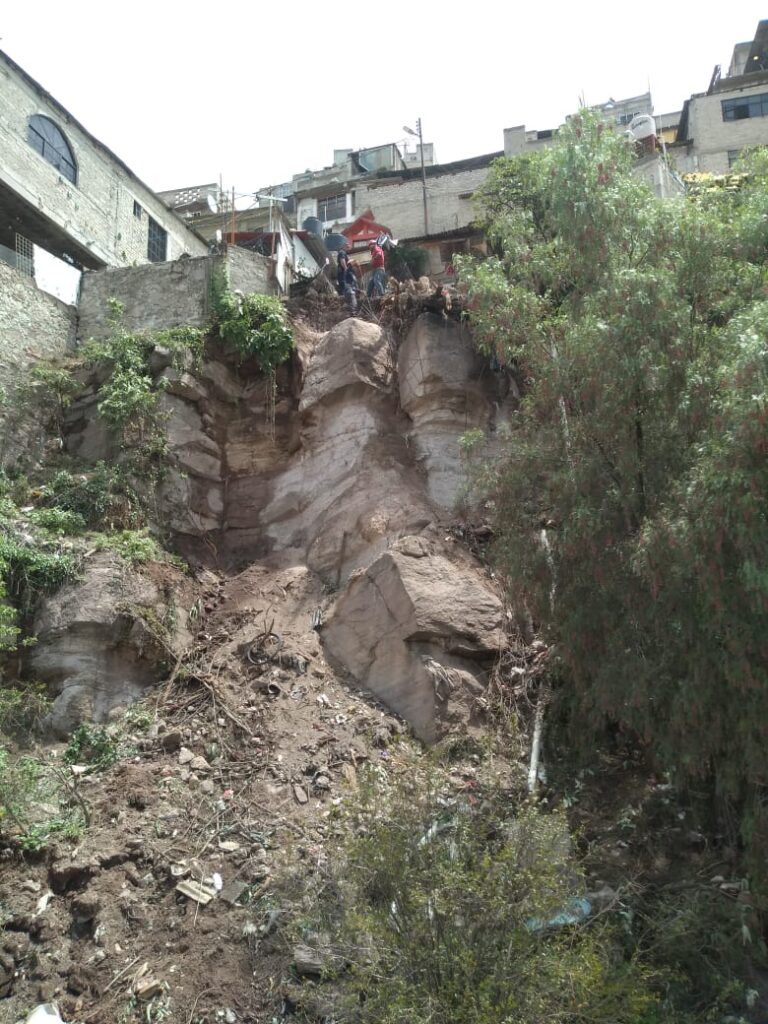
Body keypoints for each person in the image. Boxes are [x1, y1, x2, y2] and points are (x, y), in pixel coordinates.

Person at [336, 247, 358, 314]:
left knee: (347, 297)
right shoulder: (342, 253)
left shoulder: (349, 272)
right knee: (352, 299)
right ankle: (352, 313)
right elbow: (342, 261)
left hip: (347, 290)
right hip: (349, 290)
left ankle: (349, 313)